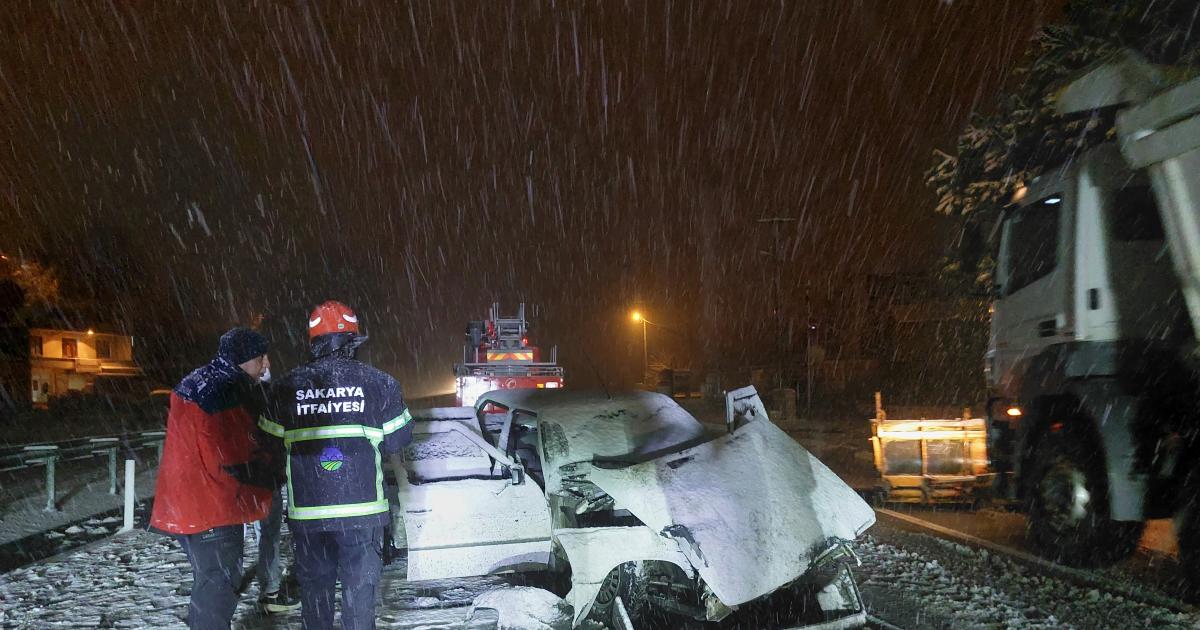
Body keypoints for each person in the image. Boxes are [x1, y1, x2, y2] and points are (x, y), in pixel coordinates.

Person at [258, 301, 413, 630]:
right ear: (353, 338)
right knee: (360, 600)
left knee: (315, 601)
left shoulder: (285, 388)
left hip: (309, 518)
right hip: (362, 514)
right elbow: (399, 441)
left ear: (313, 340)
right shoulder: (380, 384)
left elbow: (267, 445)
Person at [150, 327, 279, 630]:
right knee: (218, 586)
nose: (267, 364)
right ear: (245, 359)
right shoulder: (228, 391)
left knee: (208, 581)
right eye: (262, 358)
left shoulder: (198, 379)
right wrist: (272, 471)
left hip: (185, 500)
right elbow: (234, 457)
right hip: (212, 506)